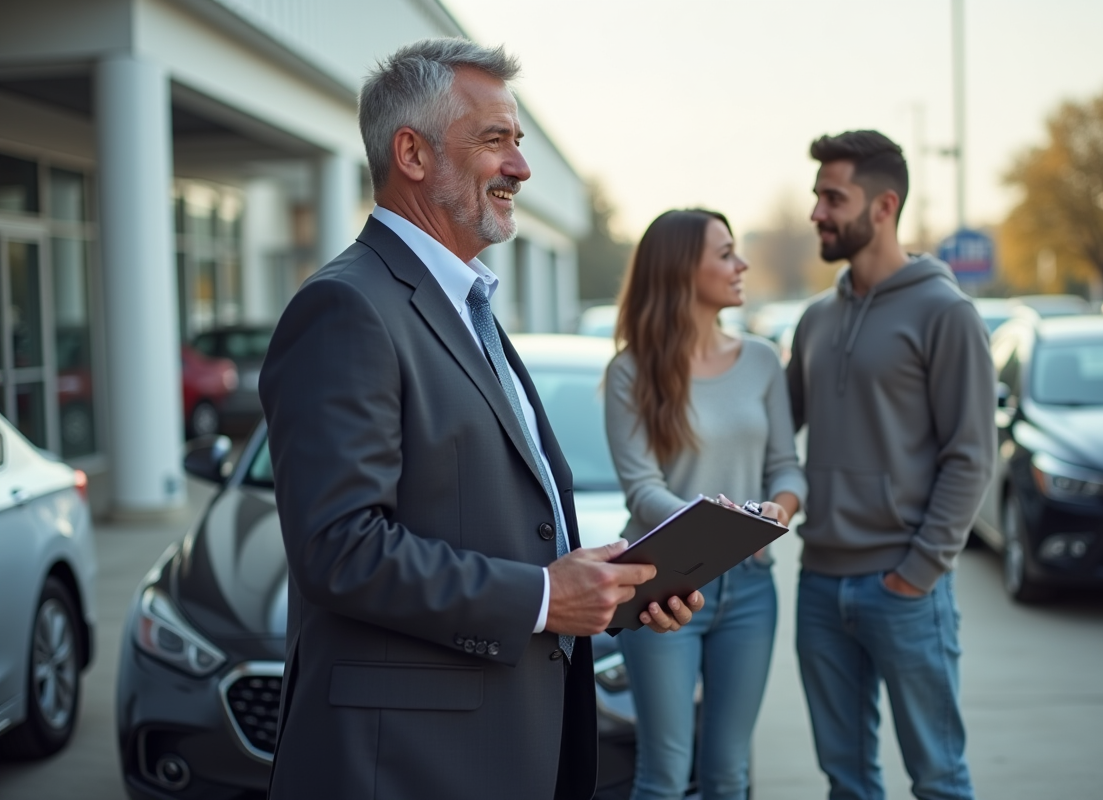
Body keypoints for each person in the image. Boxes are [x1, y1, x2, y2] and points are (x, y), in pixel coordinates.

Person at [258, 39, 702, 800]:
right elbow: (339, 548)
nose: (520, 167)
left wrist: (606, 588)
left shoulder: (468, 307)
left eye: (519, 143)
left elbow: (495, 522)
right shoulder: (347, 308)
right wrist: (539, 596)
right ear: (413, 154)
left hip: (505, 744)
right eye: (495, 140)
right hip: (405, 764)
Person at [786, 130, 996, 800]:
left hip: (904, 587)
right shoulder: (815, 320)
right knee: (847, 781)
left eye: (832, 197)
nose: (816, 211)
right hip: (819, 583)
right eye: (817, 196)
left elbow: (971, 455)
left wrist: (919, 571)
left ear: (883, 206)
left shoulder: (946, 312)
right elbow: (773, 434)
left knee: (938, 779)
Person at [605, 209, 807, 800]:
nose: (740, 264)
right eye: (724, 253)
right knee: (664, 775)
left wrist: (781, 510)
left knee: (729, 774)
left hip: (749, 590)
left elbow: (785, 467)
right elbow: (641, 488)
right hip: (661, 588)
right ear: (679, 270)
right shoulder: (630, 371)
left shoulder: (764, 360)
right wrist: (716, 524)